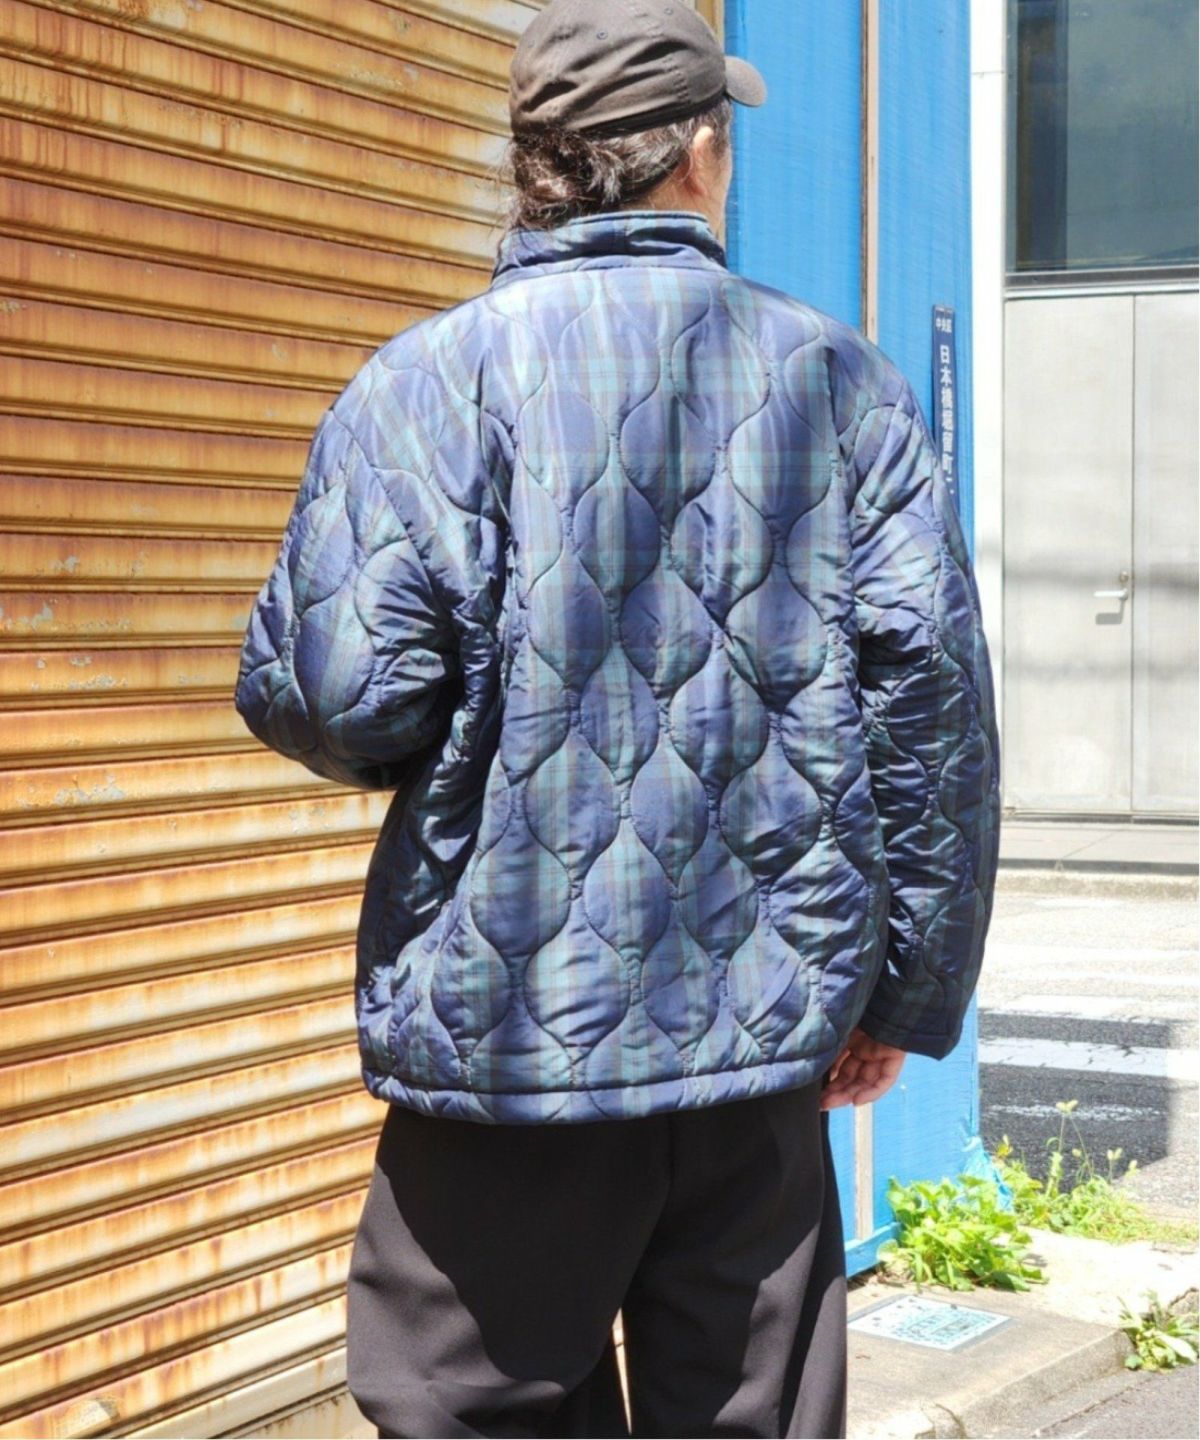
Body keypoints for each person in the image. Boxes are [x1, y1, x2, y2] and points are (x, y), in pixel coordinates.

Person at [233, 1, 1002, 1435]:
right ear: (699, 154)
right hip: (761, 1032)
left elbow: (343, 699)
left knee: (466, 1404)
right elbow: (934, 720)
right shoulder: (842, 385)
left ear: (534, 163)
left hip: (501, 1043)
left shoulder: (422, 387)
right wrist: (903, 996)